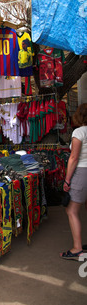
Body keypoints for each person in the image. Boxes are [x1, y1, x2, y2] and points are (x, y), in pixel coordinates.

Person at [60, 103, 87, 260]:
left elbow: (74, 157)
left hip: (82, 172)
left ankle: (77, 249)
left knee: (71, 210)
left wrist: (67, 180)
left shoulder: (79, 132)